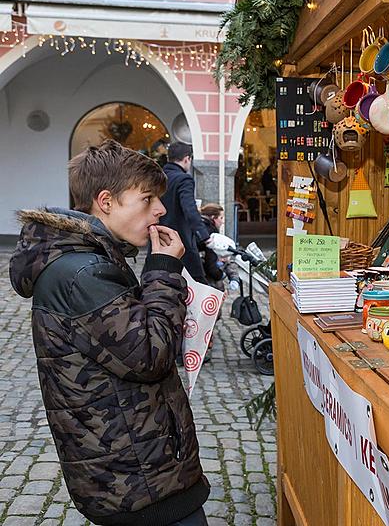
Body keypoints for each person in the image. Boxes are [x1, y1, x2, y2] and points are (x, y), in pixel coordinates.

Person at [8, 140, 209, 526]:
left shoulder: (87, 261)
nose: (161, 209)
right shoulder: (84, 274)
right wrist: (163, 270)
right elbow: (151, 354)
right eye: (147, 198)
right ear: (106, 201)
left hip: (134, 469)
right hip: (135, 480)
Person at [161, 142, 211, 284]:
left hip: (159, 238)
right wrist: (204, 236)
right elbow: (189, 209)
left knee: (160, 279)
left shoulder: (159, 176)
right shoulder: (183, 179)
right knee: (197, 282)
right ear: (186, 159)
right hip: (181, 239)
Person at [198, 203, 240, 292]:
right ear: (213, 218)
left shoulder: (199, 227)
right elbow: (211, 264)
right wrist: (221, 275)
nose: (223, 221)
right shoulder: (211, 234)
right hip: (206, 280)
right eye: (221, 218)